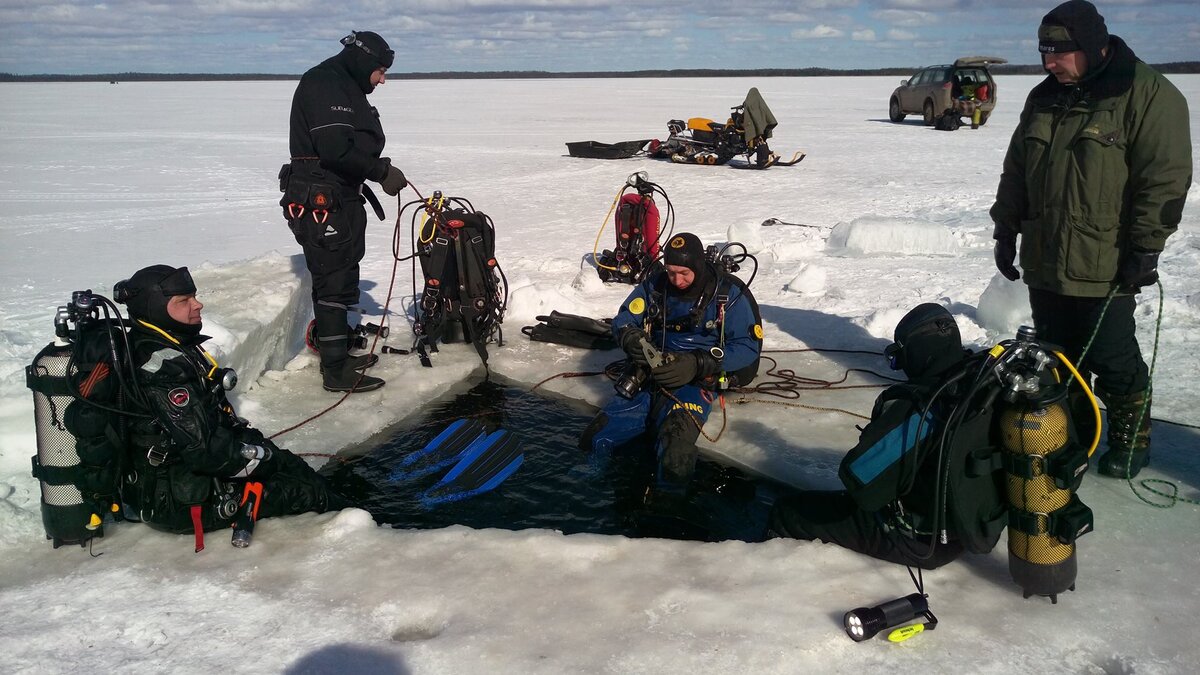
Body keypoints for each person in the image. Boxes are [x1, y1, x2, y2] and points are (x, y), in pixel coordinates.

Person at [990, 0, 1192, 478]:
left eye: (1060, 52)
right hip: (1045, 254)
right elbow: (1017, 169)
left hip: (1106, 258)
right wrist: (1006, 225)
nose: (1049, 62)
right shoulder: (1044, 97)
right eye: (1044, 52)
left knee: (1112, 355)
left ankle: (1131, 434)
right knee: (1058, 354)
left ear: (1094, 46)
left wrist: (1147, 246)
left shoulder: (1147, 94)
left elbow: (1163, 179)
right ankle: (1072, 431)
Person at [117, 265, 350, 544]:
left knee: (292, 465)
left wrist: (267, 454)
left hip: (175, 480)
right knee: (309, 492)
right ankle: (363, 533)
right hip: (179, 501)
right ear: (155, 309)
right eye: (183, 301)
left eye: (194, 296)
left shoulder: (165, 342)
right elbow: (205, 453)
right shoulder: (164, 374)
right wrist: (262, 461)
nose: (197, 304)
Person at [767, 304, 1006, 569]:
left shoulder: (925, 406)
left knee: (787, 511)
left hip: (920, 540)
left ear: (916, 353)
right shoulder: (983, 383)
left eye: (899, 357)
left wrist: (879, 428)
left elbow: (862, 486)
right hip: (970, 526)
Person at [581, 233, 763, 491]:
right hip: (649, 372)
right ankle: (586, 490)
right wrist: (631, 337)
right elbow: (624, 318)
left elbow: (747, 347)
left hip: (694, 380)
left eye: (684, 273)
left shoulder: (726, 295)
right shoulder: (655, 284)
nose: (676, 280)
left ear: (698, 267)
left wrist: (698, 363)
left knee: (675, 453)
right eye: (671, 271)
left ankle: (668, 511)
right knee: (596, 437)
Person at [282, 30, 409, 393]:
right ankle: (335, 372)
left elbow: (351, 144)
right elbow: (335, 148)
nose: (383, 79)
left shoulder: (345, 86)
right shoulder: (324, 82)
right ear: (365, 61)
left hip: (341, 194)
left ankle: (338, 353)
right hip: (321, 197)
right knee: (332, 278)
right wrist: (381, 172)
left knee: (344, 270)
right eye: (380, 70)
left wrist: (373, 165)